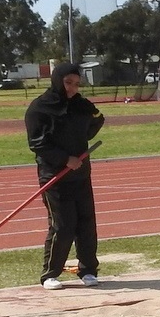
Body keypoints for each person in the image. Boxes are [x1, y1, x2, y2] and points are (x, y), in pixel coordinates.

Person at [24, 63, 105, 290]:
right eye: (68, 83)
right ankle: (50, 273)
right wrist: (64, 158)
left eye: (77, 84)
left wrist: (84, 138)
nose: (72, 89)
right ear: (58, 80)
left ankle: (88, 270)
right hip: (55, 176)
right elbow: (37, 143)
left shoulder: (81, 105)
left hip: (81, 174)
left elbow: (98, 118)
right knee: (63, 225)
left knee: (86, 223)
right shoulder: (39, 108)